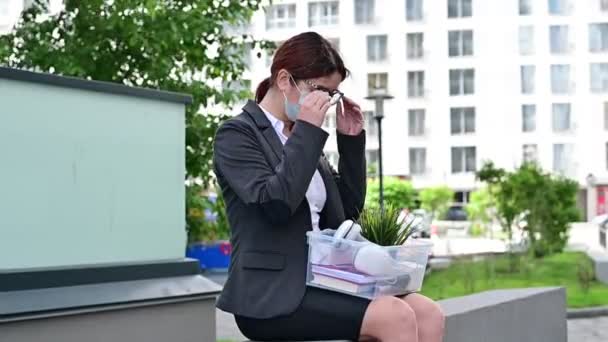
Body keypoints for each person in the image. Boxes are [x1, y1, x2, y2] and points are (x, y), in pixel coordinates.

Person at [213, 31, 444, 342]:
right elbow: (275, 205)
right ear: (285, 80)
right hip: (272, 293)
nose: (324, 103)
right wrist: (307, 130)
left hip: (326, 280)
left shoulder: (305, 141)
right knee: (394, 316)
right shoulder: (237, 135)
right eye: (319, 90)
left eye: (332, 95)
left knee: (428, 313)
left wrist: (350, 142)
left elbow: (348, 212)